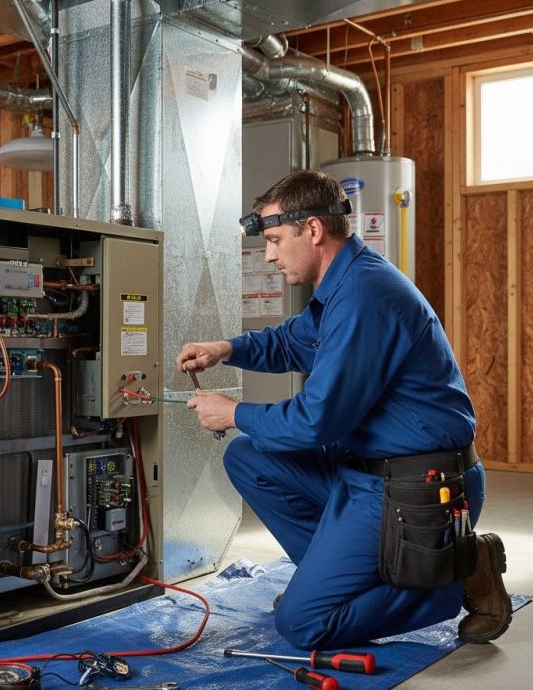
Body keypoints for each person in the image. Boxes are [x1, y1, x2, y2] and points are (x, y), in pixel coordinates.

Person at [176, 169, 511, 649]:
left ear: (312, 230)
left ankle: (455, 579)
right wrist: (225, 348)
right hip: (367, 468)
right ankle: (335, 585)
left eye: (274, 240)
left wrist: (233, 413)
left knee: (303, 625)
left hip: (417, 486)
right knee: (248, 457)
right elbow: (291, 342)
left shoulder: (362, 295)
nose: (268, 255)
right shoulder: (342, 284)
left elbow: (317, 419)